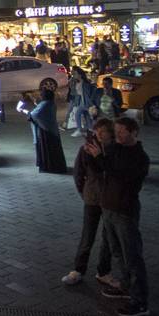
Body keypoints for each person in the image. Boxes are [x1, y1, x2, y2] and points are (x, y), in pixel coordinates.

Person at [86, 116, 151, 316]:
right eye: (117, 131)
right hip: (109, 207)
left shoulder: (139, 157)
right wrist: (92, 152)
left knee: (132, 256)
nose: (118, 135)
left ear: (134, 133)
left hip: (125, 210)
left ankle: (140, 302)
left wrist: (100, 158)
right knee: (116, 251)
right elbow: (101, 169)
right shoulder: (116, 149)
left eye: (122, 131)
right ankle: (124, 286)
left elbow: (122, 176)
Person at [62, 118, 118, 286]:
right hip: (93, 198)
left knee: (108, 237)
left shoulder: (115, 150)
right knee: (88, 235)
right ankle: (78, 269)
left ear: (111, 134)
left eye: (103, 132)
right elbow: (78, 174)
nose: (99, 135)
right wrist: (84, 192)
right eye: (97, 132)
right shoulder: (86, 150)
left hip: (111, 200)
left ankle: (103, 271)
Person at [24, 88, 67, 174]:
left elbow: (35, 114)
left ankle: (49, 167)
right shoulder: (51, 103)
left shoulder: (45, 104)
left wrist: (25, 111)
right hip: (52, 129)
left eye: (41, 95)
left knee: (47, 149)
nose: (40, 96)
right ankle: (56, 166)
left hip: (45, 131)